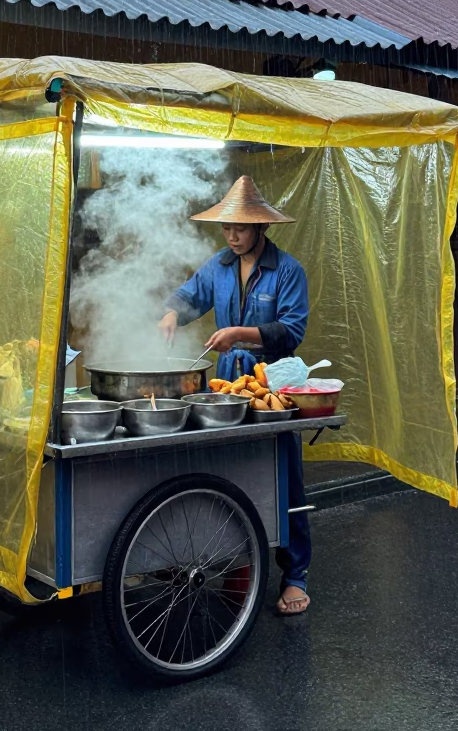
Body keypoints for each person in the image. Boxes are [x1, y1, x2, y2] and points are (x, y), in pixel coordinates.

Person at [158, 174, 312, 616]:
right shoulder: (219, 266)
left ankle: (295, 573)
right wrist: (171, 313)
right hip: (226, 383)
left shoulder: (287, 270)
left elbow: (290, 330)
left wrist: (240, 334)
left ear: (262, 228)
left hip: (270, 383)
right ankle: (239, 565)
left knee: (283, 476)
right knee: (230, 474)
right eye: (226, 228)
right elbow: (190, 295)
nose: (232, 236)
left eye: (240, 228)